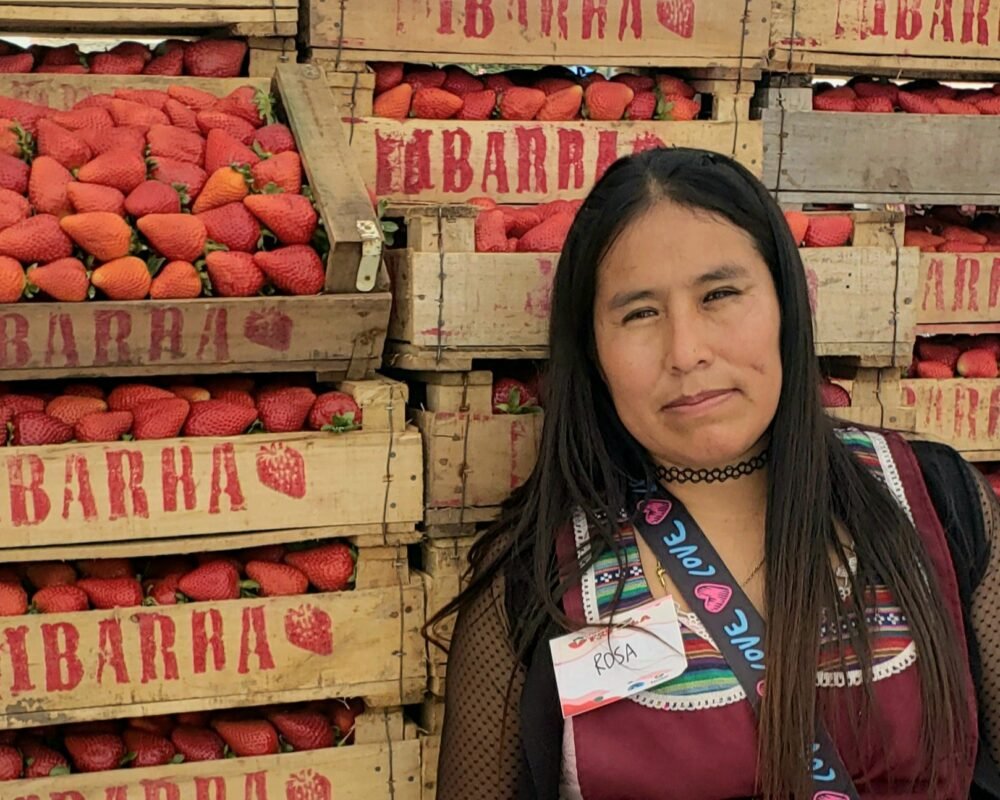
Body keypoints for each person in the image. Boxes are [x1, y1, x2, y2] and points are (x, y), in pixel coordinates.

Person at [431, 148, 1000, 799]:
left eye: (720, 294)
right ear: (592, 349)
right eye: (639, 312)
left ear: (786, 302)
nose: (687, 351)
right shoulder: (534, 580)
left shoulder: (933, 501)